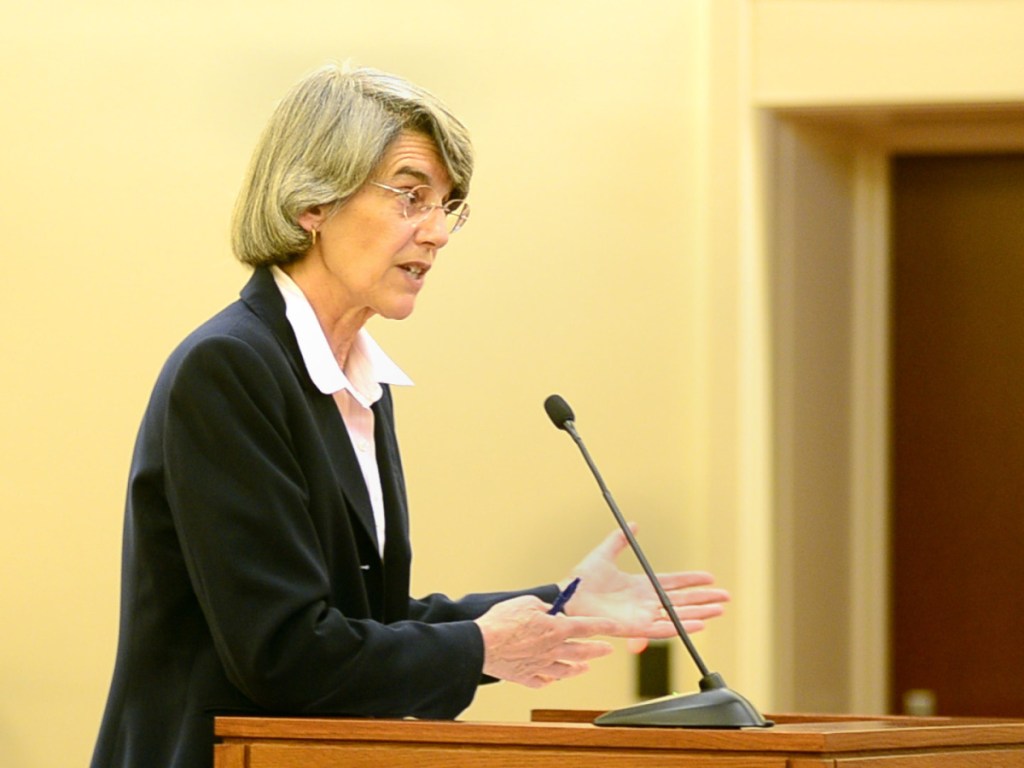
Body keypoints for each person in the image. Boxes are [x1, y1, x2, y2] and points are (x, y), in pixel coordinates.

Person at [90, 63, 728, 768]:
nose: (438, 233)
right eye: (411, 197)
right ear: (312, 202)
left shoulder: (359, 383)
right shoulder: (229, 368)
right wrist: (484, 645)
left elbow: (371, 624)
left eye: (447, 206)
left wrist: (559, 607)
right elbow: (283, 653)